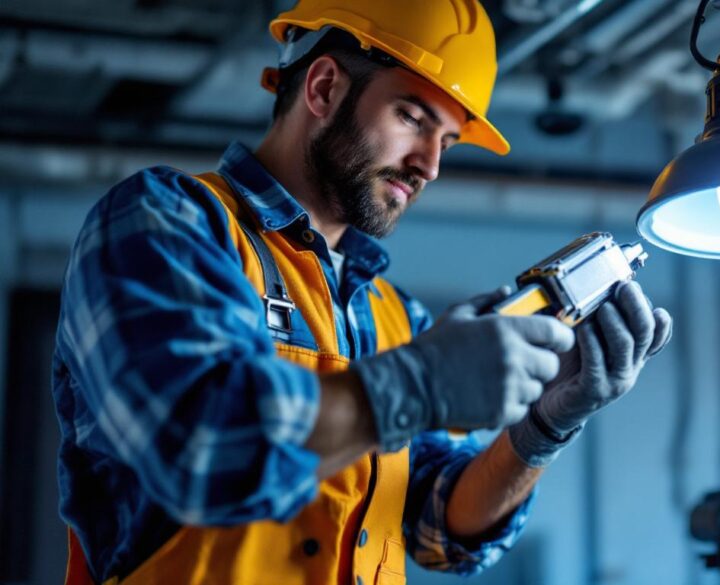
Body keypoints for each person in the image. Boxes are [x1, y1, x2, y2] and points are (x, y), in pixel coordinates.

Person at [53, 1, 673, 584]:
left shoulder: (392, 315)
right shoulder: (172, 221)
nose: (429, 165)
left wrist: (546, 425)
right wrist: (414, 387)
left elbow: (438, 529)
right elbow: (198, 445)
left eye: (447, 142)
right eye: (412, 118)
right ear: (323, 88)